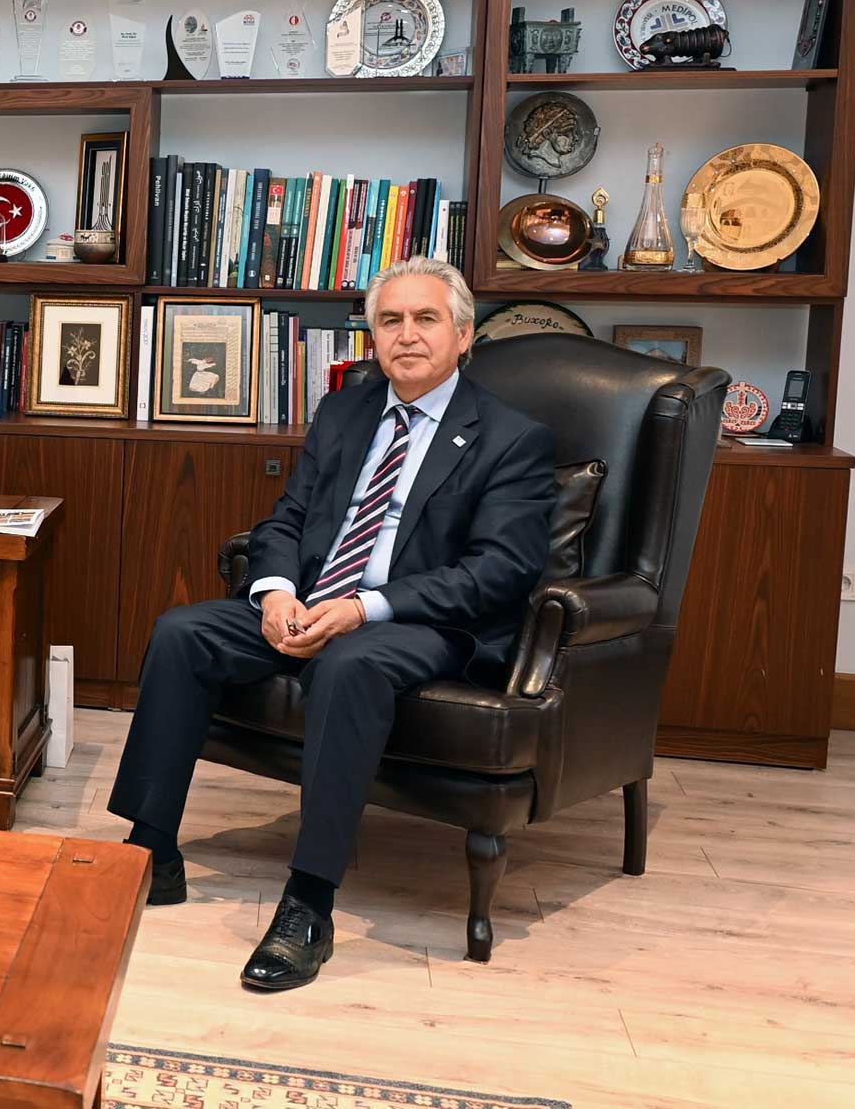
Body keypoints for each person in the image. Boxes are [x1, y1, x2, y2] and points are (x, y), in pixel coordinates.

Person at [107, 257, 556, 992]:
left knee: (351, 664)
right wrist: (276, 593)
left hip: (417, 619)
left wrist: (362, 608)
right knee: (183, 631)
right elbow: (287, 518)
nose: (407, 335)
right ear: (373, 336)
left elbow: (498, 571)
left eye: (426, 319)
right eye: (391, 320)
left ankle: (308, 904)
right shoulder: (346, 411)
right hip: (313, 600)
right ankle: (152, 851)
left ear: (463, 335)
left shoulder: (511, 438)